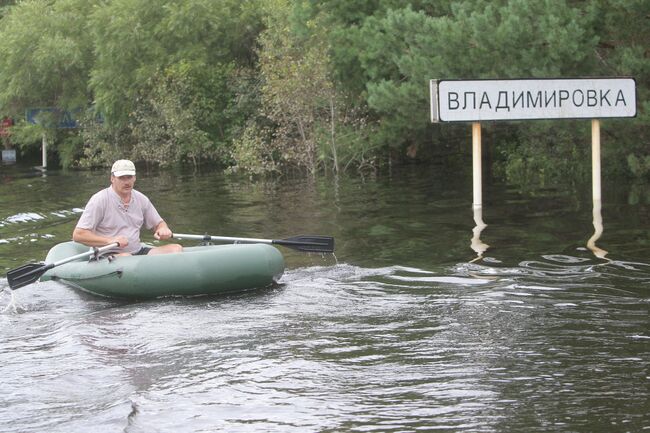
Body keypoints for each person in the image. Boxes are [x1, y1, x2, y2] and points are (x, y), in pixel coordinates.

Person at [72, 159, 183, 256]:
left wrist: (162, 228)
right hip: (106, 255)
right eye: (122, 178)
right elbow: (78, 234)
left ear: (134, 178)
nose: (126, 182)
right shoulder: (99, 200)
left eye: (129, 177)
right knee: (126, 258)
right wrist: (110, 240)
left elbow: (159, 223)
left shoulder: (141, 199)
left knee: (175, 249)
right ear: (112, 178)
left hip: (137, 251)